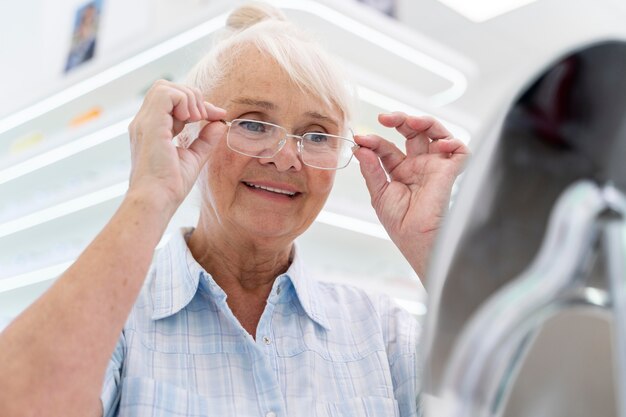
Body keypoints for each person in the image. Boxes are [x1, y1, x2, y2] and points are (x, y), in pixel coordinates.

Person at [0, 3, 468, 416]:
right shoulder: (118, 319)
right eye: (253, 123)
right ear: (189, 132)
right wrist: (149, 195)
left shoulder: (381, 331)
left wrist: (433, 245)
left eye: (318, 134)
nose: (285, 157)